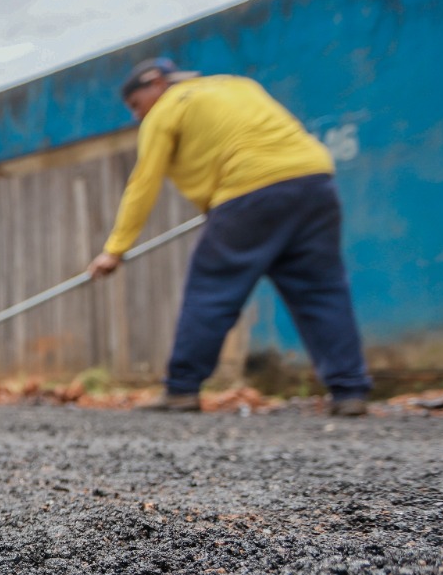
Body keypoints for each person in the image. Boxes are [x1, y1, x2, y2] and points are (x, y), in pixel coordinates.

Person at [88, 58, 372, 417]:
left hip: (248, 190)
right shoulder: (238, 85)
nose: (136, 115)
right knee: (321, 291)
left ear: (155, 83)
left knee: (211, 290)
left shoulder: (168, 108)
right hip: (313, 182)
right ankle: (350, 391)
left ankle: (181, 389)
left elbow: (143, 183)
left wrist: (114, 250)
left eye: (135, 104)